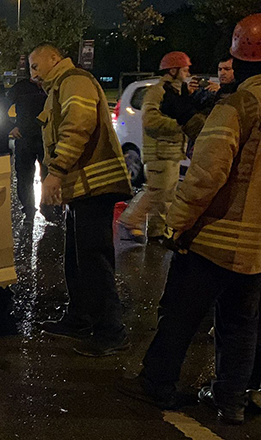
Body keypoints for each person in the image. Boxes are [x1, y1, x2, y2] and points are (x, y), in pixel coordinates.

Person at [118, 14, 261, 424]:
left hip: (218, 234)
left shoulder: (239, 103)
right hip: (255, 246)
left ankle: (158, 383)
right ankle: (231, 400)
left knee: (180, 312)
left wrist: (175, 222)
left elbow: (206, 174)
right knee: (240, 323)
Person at [30, 43, 133, 357]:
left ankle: (111, 331)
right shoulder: (60, 86)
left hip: (95, 186)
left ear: (54, 58)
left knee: (93, 259)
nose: (32, 73)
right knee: (77, 259)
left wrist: (56, 172)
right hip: (84, 188)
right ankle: (80, 319)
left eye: (35, 65)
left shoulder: (74, 81)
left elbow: (78, 126)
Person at [118, 52, 197, 243]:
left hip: (170, 152)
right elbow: (150, 120)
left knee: (165, 195)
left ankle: (156, 232)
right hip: (160, 152)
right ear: (173, 70)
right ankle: (129, 221)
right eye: (184, 70)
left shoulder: (175, 91)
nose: (187, 74)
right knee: (157, 192)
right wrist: (180, 125)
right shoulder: (157, 91)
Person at [6, 77, 48, 222]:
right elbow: (1, 106)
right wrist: (10, 126)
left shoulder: (53, 85)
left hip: (47, 138)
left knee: (48, 174)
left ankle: (47, 206)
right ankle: (29, 210)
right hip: (24, 137)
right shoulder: (21, 87)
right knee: (24, 176)